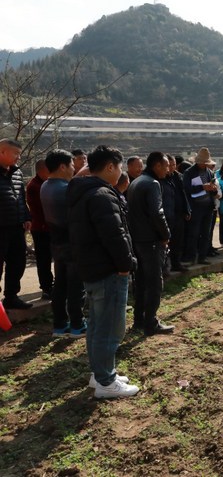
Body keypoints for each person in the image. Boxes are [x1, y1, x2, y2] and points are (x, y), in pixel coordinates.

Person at [66, 145, 139, 398]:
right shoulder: (101, 195)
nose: (120, 172)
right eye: (119, 167)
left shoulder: (82, 192)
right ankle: (106, 382)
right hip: (108, 270)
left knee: (97, 325)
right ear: (110, 167)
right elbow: (115, 235)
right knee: (110, 327)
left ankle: (100, 374)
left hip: (92, 268)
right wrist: (125, 265)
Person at [127, 151, 174, 336]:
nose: (168, 168)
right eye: (165, 165)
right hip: (151, 241)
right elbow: (157, 212)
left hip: (137, 239)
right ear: (156, 165)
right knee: (154, 283)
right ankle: (151, 322)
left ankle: (139, 320)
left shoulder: (136, 181)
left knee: (141, 282)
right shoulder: (152, 184)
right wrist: (166, 234)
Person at [40, 149, 86, 337]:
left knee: (60, 285)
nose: (74, 169)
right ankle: (77, 325)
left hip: (57, 242)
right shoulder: (65, 189)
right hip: (72, 242)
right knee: (76, 287)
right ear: (62, 166)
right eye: (72, 165)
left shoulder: (46, 186)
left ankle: (60, 324)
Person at [0, 139, 33, 310]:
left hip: (16, 226)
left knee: (17, 262)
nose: (18, 157)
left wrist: (26, 216)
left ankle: (11, 296)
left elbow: (21, 197)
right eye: (15, 153)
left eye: (19, 154)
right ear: (2, 152)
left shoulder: (17, 173)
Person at [181, 147, 217, 265]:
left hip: (208, 207)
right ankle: (191, 256)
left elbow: (213, 189)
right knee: (194, 233)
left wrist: (213, 189)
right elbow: (186, 189)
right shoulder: (189, 173)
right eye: (203, 163)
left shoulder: (210, 172)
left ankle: (202, 256)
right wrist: (202, 187)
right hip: (195, 207)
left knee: (206, 234)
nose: (204, 165)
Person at [26, 159, 53, 299]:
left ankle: (51, 285)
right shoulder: (35, 186)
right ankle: (46, 287)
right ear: (41, 170)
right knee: (44, 260)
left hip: (49, 227)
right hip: (41, 228)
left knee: (51, 258)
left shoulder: (46, 183)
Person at [161, 154, 191, 272]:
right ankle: (165, 267)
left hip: (178, 215)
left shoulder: (178, 177)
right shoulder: (160, 179)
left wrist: (187, 209)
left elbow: (183, 194)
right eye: (170, 165)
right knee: (166, 242)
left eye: (174, 165)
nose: (172, 167)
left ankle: (176, 263)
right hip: (166, 215)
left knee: (178, 241)